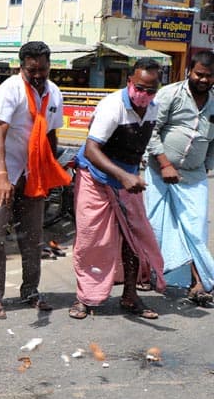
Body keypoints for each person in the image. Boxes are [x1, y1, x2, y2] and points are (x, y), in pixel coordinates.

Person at [71, 58, 165, 320]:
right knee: (92, 240)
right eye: (139, 88)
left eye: (150, 90)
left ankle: (130, 295)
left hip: (127, 178)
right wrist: (123, 175)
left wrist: (133, 174)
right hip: (96, 176)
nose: (144, 95)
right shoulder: (112, 107)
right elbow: (92, 149)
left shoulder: (153, 109)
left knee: (134, 238)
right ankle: (85, 298)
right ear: (129, 82)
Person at [0, 41, 69, 319]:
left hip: (33, 174)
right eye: (32, 70)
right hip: (3, 172)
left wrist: (50, 171)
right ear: (22, 67)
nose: (39, 75)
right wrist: (3, 177)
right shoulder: (10, 89)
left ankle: (30, 291)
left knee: (33, 237)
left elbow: (51, 135)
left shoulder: (54, 93)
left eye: (43, 69)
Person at [145, 51, 214, 306]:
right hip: (159, 172)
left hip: (194, 177)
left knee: (195, 231)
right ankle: (153, 273)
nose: (204, 80)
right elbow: (152, 130)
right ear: (189, 72)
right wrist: (164, 164)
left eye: (209, 76)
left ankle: (199, 282)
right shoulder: (170, 94)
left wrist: (206, 166)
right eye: (199, 74)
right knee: (158, 229)